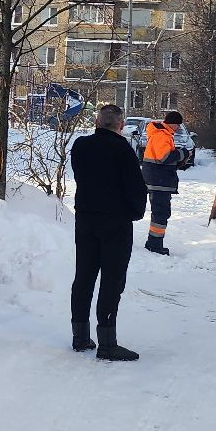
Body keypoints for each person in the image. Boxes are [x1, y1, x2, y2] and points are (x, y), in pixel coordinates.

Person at [69, 104, 146, 361]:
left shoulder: (81, 146)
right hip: (115, 223)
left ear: (97, 122)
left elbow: (81, 176)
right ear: (121, 125)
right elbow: (136, 189)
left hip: (85, 219)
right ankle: (107, 343)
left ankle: (80, 336)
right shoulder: (123, 150)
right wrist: (134, 212)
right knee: (112, 280)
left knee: (84, 276)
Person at [140, 110, 186, 255]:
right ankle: (154, 245)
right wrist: (183, 153)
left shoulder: (161, 134)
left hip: (157, 179)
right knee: (160, 213)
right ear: (171, 123)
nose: (178, 127)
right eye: (177, 124)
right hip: (159, 181)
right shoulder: (162, 135)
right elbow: (164, 157)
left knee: (160, 213)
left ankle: (154, 243)